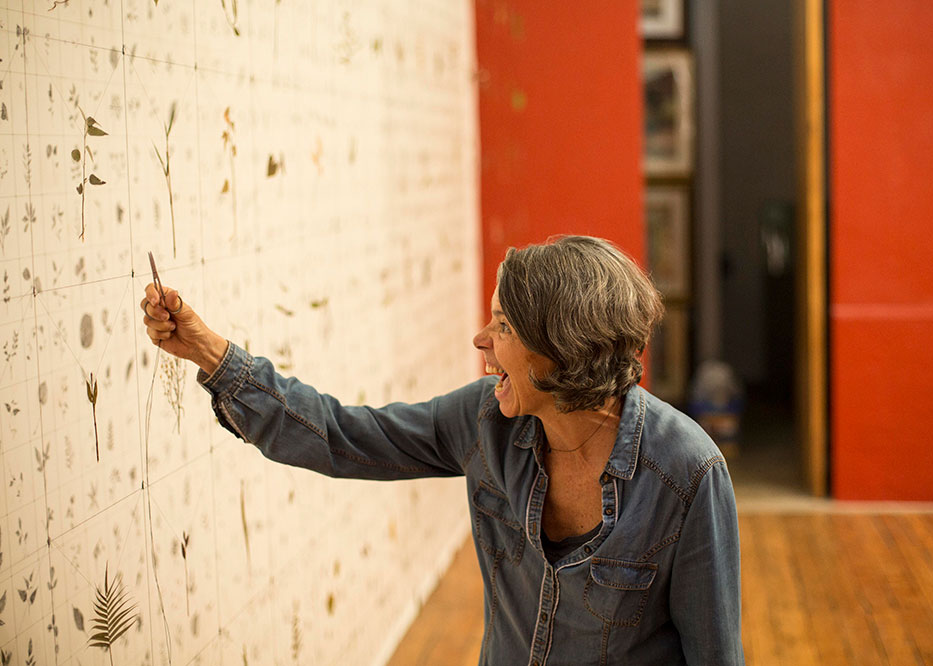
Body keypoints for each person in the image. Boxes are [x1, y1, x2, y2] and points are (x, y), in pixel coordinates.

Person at [140, 235, 744, 665]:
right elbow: (342, 435)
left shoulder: (687, 474)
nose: (480, 340)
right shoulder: (484, 420)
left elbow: (714, 654)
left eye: (503, 327)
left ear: (559, 352)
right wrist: (212, 356)